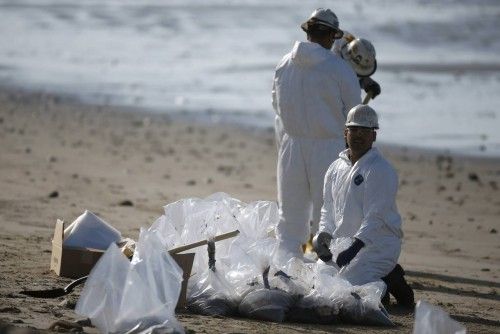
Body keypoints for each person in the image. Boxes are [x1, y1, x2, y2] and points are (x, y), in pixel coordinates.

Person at [271, 8, 362, 258]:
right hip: (329, 148)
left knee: (290, 218)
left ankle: (285, 270)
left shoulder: (283, 64)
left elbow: (277, 107)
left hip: (291, 146)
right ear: (331, 36)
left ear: (308, 32)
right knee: (330, 217)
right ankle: (327, 277)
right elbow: (354, 114)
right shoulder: (340, 69)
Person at [313, 104, 414, 307]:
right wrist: (324, 236)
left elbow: (376, 217)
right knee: (319, 282)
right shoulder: (335, 168)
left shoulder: (380, 170)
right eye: (354, 129)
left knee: (345, 288)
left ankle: (391, 278)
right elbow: (328, 209)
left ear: (373, 136)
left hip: (377, 245)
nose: (359, 135)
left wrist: (356, 247)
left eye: (365, 131)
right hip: (343, 246)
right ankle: (378, 282)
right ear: (345, 133)